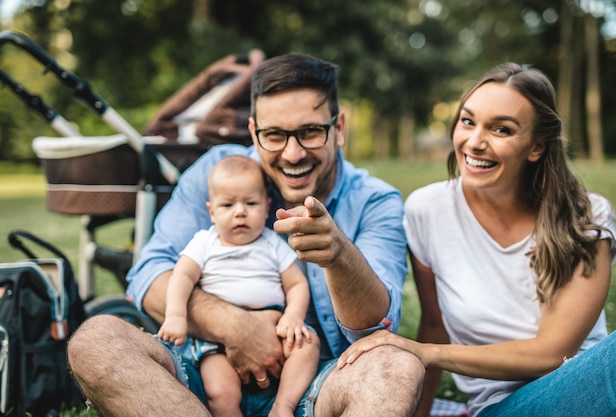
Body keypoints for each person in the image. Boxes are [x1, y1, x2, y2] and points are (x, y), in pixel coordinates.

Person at [67, 52, 424, 417]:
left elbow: (377, 331)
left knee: (398, 367)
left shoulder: (375, 201)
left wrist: (341, 257)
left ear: (340, 128)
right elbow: (148, 274)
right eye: (274, 135)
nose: (293, 153)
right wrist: (236, 327)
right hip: (200, 378)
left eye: (310, 132)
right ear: (254, 132)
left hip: (315, 384)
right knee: (96, 341)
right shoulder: (218, 173)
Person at [338, 62, 616, 417]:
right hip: (504, 408)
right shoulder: (428, 210)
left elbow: (553, 353)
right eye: (468, 122)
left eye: (501, 129)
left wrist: (424, 351)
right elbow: (435, 325)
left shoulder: (586, 215)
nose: (474, 142)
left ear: (536, 147)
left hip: (591, 389)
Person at [157, 155, 319, 417]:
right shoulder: (204, 243)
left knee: (307, 344)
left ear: (267, 207)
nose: (240, 211)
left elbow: (297, 284)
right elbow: (181, 277)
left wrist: (293, 316)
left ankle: (283, 407)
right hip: (216, 340)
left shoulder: (272, 243)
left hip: (275, 327)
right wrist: (176, 316)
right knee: (220, 392)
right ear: (211, 211)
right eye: (228, 205)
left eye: (250, 203)